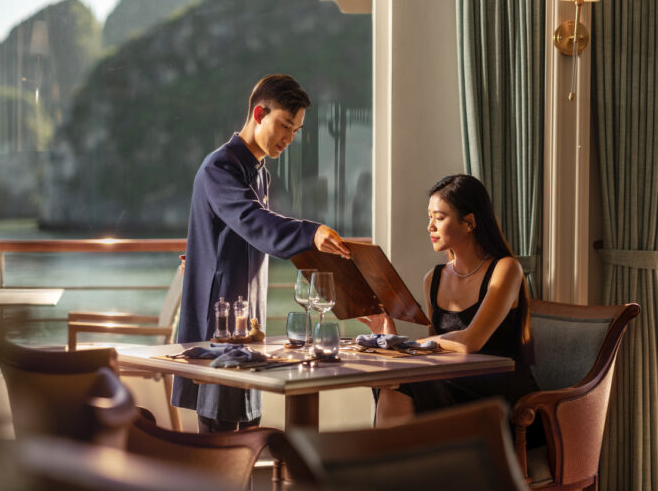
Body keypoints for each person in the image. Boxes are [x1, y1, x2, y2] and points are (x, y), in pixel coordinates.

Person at [174, 74, 351, 433]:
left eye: (296, 130)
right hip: (220, 321)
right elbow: (255, 223)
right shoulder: (219, 168)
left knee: (249, 429)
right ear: (259, 113)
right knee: (221, 440)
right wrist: (311, 232)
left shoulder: (258, 173)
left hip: (246, 319)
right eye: (285, 125)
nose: (289, 138)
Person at [361, 174, 539, 429]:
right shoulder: (433, 279)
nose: (429, 227)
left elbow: (469, 343)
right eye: (429, 216)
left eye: (439, 217)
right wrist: (390, 337)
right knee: (393, 382)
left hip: (502, 394)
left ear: (469, 222)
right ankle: (395, 467)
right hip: (455, 384)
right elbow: (439, 351)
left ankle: (389, 466)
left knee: (401, 384)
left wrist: (403, 346)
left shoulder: (506, 269)